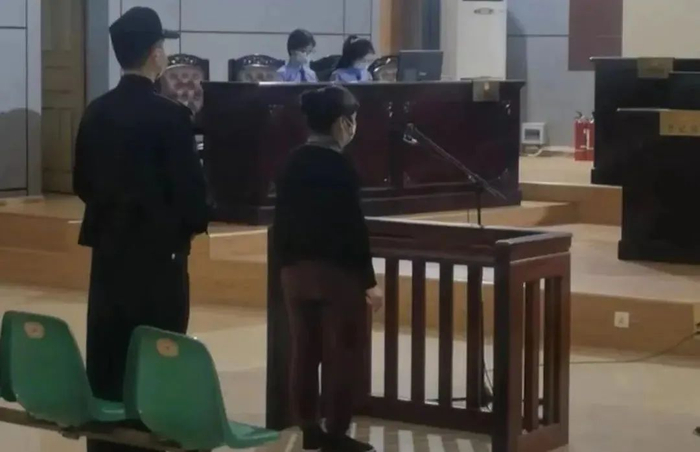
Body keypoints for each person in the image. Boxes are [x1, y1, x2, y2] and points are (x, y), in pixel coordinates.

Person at [73, 6, 209, 452]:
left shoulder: (96, 112)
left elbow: (82, 183)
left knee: (109, 355)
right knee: (157, 358)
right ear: (155, 54)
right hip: (159, 263)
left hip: (109, 257)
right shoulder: (171, 117)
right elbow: (192, 199)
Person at [273, 85, 383, 452]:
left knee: (304, 353)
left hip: (294, 272)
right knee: (342, 355)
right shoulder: (340, 166)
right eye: (353, 120)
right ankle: (336, 433)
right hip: (335, 275)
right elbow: (353, 229)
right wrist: (369, 282)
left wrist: (285, 267)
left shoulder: (291, 161)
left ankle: (308, 428)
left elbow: (281, 221)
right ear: (342, 123)